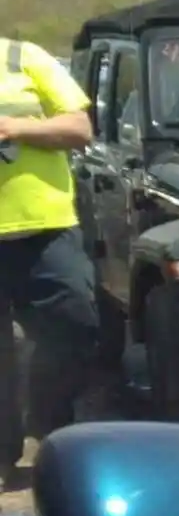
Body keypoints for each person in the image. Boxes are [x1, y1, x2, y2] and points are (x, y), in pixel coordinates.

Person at [0, 38, 99, 486]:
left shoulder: (23, 57)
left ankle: (51, 427)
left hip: (45, 228)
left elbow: (80, 130)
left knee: (76, 324)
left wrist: (13, 128)